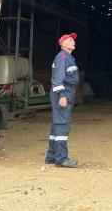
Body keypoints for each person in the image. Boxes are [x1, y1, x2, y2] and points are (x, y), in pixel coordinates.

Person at [45, 33, 80, 167]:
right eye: (70, 40)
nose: (73, 42)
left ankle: (52, 156)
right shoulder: (63, 57)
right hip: (63, 92)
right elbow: (57, 79)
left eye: (73, 41)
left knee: (57, 124)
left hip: (65, 92)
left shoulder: (66, 58)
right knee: (62, 124)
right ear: (63, 43)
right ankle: (62, 159)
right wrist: (62, 95)